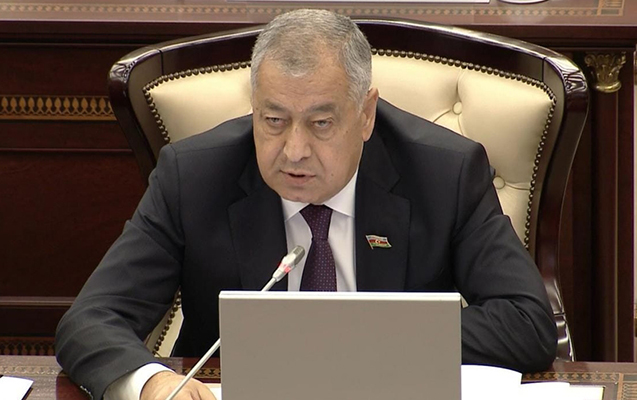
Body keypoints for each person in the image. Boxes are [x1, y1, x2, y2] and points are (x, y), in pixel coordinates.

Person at [55, 8, 558, 400]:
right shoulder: (193, 177)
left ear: (365, 114)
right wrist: (153, 382)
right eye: (273, 121)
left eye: (321, 123)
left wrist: (358, 338)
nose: (294, 151)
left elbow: (527, 323)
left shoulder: (444, 173)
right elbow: (90, 320)